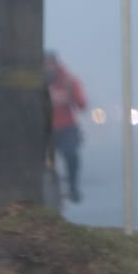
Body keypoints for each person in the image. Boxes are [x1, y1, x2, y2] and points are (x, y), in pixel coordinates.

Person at [45, 51, 87, 203]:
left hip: (66, 128)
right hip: (44, 130)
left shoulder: (68, 80)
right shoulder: (37, 83)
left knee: (71, 154)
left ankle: (72, 186)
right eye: (45, 65)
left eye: (51, 64)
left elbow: (82, 105)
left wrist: (72, 96)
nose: (48, 69)